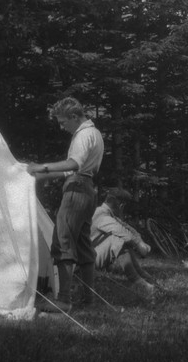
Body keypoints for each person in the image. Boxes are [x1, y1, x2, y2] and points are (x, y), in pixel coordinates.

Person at [27, 97, 103, 313]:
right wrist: (43, 176)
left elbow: (74, 164)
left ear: (74, 116)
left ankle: (63, 300)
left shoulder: (83, 135)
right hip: (87, 189)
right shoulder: (94, 133)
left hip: (76, 191)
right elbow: (74, 169)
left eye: (63, 122)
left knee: (62, 242)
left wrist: (42, 167)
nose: (61, 127)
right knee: (84, 245)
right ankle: (89, 300)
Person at [91, 188, 158, 294]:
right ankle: (139, 282)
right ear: (117, 202)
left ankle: (144, 277)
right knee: (118, 239)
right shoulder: (100, 214)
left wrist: (139, 241)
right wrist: (139, 245)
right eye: (122, 204)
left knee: (124, 238)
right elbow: (120, 231)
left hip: (91, 256)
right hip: (83, 263)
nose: (123, 207)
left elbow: (127, 227)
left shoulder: (107, 213)